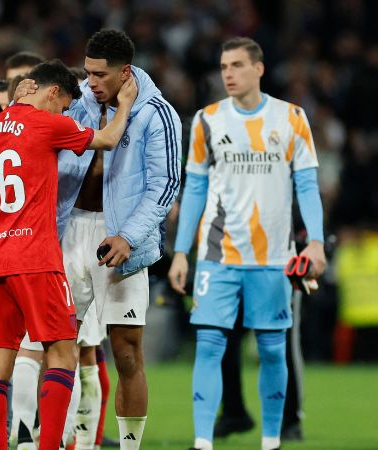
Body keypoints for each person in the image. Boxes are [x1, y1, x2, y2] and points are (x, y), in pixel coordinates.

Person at [167, 37, 326, 450]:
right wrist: (182, 252)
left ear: (259, 68)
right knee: (209, 344)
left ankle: (271, 441)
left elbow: (307, 184)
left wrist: (317, 244)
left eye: (237, 65)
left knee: (273, 351)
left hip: (274, 257)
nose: (228, 74)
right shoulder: (207, 120)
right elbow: (196, 190)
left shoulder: (291, 118)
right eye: (223, 66)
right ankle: (203, 442)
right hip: (219, 256)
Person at [0, 59, 137, 450]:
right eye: (63, 105)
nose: (64, 113)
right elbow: (108, 139)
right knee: (64, 353)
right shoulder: (46, 123)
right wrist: (126, 104)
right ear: (52, 92)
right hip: (35, 259)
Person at [56, 28, 182, 449]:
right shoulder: (77, 102)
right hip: (71, 230)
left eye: (99, 75)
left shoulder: (156, 112)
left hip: (119, 242)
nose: (90, 82)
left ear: (125, 72)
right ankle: (57, 441)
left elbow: (164, 186)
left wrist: (128, 236)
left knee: (126, 353)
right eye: (87, 72)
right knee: (56, 344)